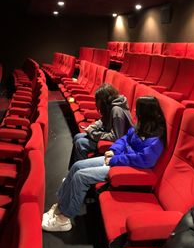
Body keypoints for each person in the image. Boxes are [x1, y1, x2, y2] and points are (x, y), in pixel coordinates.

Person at [42, 96, 167, 232]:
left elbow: (144, 160)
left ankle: (64, 219)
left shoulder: (157, 138)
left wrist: (115, 159)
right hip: (119, 159)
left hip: (128, 168)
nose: (134, 110)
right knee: (77, 166)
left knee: (80, 176)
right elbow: (124, 139)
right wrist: (114, 150)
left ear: (146, 113)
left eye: (138, 108)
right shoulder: (141, 126)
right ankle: (61, 205)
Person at [68, 83, 133, 168]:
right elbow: (102, 120)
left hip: (119, 144)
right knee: (77, 136)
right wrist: (92, 127)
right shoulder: (111, 106)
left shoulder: (117, 111)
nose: (96, 103)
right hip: (109, 135)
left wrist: (94, 133)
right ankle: (72, 170)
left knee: (80, 143)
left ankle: (82, 169)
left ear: (103, 101)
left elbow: (116, 137)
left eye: (97, 100)